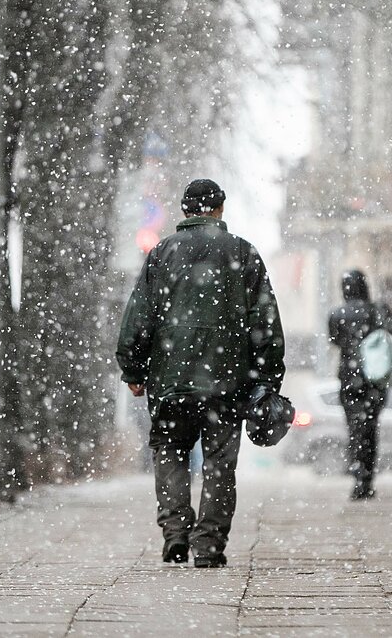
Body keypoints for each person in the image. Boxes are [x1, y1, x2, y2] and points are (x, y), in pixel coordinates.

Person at [116, 178, 285, 568]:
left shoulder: (162, 253)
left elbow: (138, 317)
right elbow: (266, 321)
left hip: (170, 381)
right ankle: (209, 545)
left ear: (185, 210)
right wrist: (267, 379)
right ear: (220, 209)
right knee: (220, 463)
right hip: (226, 382)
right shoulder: (243, 253)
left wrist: (134, 369)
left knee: (171, 452)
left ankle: (175, 532)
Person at [328, 269, 392, 500]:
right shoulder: (378, 310)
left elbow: (335, 340)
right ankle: (366, 478)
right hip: (374, 378)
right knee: (370, 428)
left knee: (354, 429)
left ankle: (358, 475)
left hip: (348, 379)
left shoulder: (337, 314)